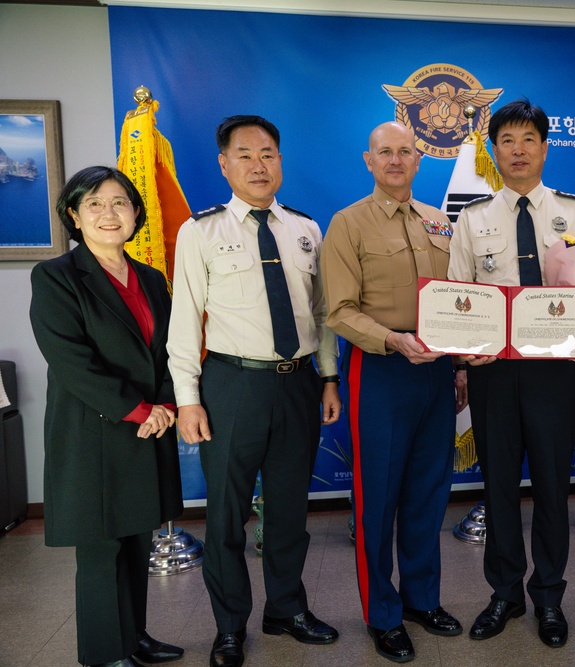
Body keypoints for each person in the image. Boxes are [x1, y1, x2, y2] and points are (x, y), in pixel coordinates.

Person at [167, 115, 341, 667]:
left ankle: (286, 609)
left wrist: (329, 375)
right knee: (226, 516)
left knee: (289, 512)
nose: (258, 165)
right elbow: (184, 318)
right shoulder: (200, 231)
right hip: (232, 383)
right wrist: (187, 397)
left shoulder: (306, 229)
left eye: (268, 153)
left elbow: (322, 314)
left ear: (281, 162)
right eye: (245, 154)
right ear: (224, 164)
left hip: (298, 384)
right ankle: (229, 626)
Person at [448, 98, 575, 649]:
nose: (518, 150)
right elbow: (459, 295)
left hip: (554, 373)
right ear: (494, 150)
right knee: (496, 488)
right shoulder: (472, 218)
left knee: (548, 487)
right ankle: (504, 594)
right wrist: (465, 358)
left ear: (545, 146)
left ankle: (549, 597)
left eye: (528, 140)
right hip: (493, 374)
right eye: (507, 141)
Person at [29, 166, 185, 667]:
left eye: (119, 202)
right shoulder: (55, 276)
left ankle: (133, 638)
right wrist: (137, 409)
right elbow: (70, 359)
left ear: (136, 212)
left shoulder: (150, 277)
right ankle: (104, 653)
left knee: (137, 540)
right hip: (95, 430)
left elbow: (170, 349)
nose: (108, 213)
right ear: (73, 215)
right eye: (93, 204)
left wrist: (164, 403)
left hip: (147, 427)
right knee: (101, 550)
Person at [322, 121, 464, 663]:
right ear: (368, 159)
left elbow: (459, 297)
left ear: (419, 159)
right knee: (377, 500)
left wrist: (461, 365)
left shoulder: (439, 221)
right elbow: (338, 310)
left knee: (429, 493)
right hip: (380, 368)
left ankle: (421, 600)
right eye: (386, 152)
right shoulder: (348, 224)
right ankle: (382, 614)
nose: (396, 160)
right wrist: (394, 341)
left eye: (406, 151)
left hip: (437, 369)